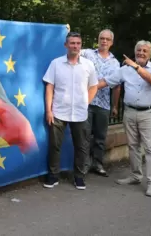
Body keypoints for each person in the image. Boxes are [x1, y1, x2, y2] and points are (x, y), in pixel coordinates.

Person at [97, 40, 151, 197]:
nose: (141, 53)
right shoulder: (125, 70)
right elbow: (105, 82)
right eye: (138, 50)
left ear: (150, 54)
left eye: (145, 51)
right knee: (133, 146)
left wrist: (136, 67)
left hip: (149, 112)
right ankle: (136, 176)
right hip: (130, 112)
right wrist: (84, 88)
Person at [42, 31, 98, 190]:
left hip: (80, 113)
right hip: (59, 112)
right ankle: (53, 176)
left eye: (78, 43)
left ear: (81, 45)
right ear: (66, 45)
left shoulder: (88, 65)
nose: (75, 46)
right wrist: (48, 110)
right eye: (72, 43)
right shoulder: (56, 64)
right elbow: (49, 87)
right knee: (55, 146)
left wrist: (85, 102)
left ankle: (79, 177)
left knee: (81, 146)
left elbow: (94, 86)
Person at [80, 29, 121, 177]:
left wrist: (115, 106)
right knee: (84, 135)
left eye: (107, 39)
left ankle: (97, 164)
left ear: (111, 42)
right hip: (86, 102)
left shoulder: (115, 63)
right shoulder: (87, 54)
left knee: (100, 136)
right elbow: (73, 48)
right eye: (101, 38)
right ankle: (83, 165)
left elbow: (117, 86)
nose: (104, 41)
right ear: (98, 40)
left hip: (103, 104)